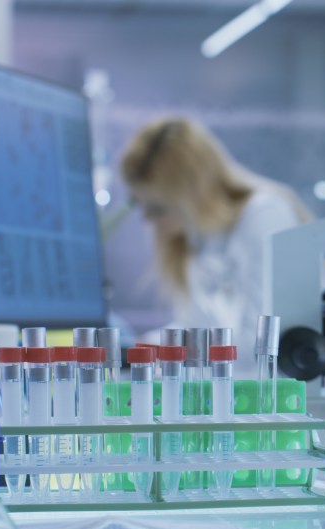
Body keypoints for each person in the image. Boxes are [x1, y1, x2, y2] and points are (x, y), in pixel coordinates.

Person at [120, 118, 312, 374]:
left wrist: (163, 351)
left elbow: (260, 344)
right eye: (139, 203)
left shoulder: (265, 216)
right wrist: (141, 348)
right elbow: (197, 327)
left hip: (284, 393)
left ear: (193, 195)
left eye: (158, 208)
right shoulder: (198, 238)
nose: (147, 219)